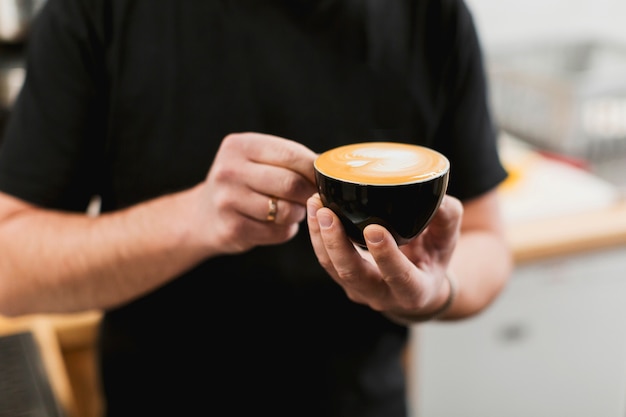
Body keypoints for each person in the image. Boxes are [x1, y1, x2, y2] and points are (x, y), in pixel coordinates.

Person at [0, 0, 513, 416]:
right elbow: (9, 269)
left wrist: (435, 292)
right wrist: (193, 220)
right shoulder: (95, 13)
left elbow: (486, 238)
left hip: (363, 401)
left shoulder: (434, 17)